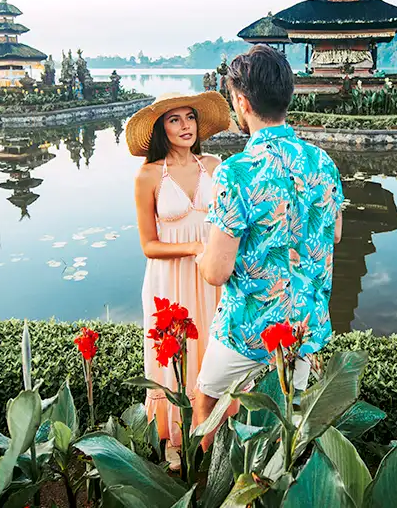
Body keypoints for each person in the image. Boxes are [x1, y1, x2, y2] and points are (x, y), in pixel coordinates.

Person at [193, 45, 345, 442]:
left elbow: (217, 271)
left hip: (250, 328)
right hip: (304, 325)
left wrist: (199, 257)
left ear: (242, 102)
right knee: (286, 421)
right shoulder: (324, 162)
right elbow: (336, 233)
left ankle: (203, 485)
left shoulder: (236, 173)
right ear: (286, 98)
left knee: (205, 401)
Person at [126, 91, 231, 464]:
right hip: (168, 281)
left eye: (190, 117)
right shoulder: (149, 175)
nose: (186, 126)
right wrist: (194, 249)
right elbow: (149, 245)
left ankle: (218, 432)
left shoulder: (215, 166)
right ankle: (175, 441)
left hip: (210, 279)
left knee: (213, 349)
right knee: (176, 354)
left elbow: (230, 222)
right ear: (160, 127)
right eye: (175, 119)